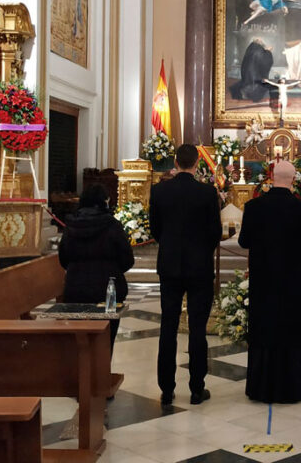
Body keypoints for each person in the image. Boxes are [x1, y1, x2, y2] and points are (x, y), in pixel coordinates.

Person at [239, 160, 301, 403]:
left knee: (265, 328)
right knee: (290, 330)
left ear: (271, 177)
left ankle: (260, 387)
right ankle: (292, 388)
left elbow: (243, 242)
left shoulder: (253, 207)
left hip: (263, 281)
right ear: (294, 179)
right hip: (292, 282)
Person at [150, 144, 222, 407]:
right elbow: (215, 231)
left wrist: (171, 247)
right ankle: (196, 388)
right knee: (197, 328)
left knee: (167, 326)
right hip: (199, 267)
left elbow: (155, 228)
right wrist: (201, 250)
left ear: (176, 162)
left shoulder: (159, 190)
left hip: (169, 266)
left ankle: (167, 390)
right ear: (196, 165)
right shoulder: (206, 192)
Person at [58, 184, 134, 354]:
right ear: (104, 202)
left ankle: (80, 375)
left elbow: (63, 258)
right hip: (108, 289)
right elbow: (127, 259)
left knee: (77, 341)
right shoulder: (112, 225)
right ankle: (102, 374)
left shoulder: (71, 226)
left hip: (75, 288)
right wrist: (112, 269)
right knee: (106, 338)